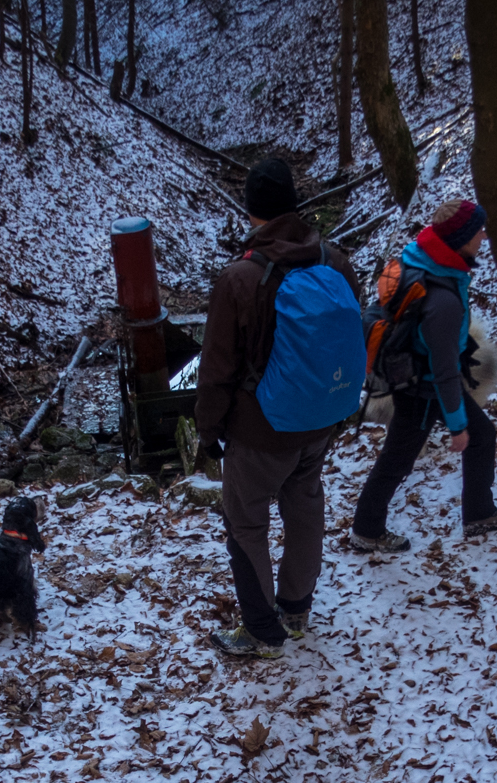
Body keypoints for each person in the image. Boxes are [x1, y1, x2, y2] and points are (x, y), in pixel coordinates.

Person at [194, 158, 364, 660]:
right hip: (322, 418)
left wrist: (209, 431)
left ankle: (262, 631)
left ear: (250, 211)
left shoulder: (240, 278)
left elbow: (217, 368)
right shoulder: (334, 260)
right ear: (295, 204)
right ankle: (296, 608)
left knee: (245, 521)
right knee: (305, 504)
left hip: (261, 430)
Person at [349, 199, 497, 552]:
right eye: (478, 232)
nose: (484, 237)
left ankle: (478, 513)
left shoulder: (420, 256)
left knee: (482, 434)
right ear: (460, 239)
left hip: (413, 373)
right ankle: (367, 530)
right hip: (423, 387)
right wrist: (456, 427)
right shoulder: (442, 300)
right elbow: (443, 372)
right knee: (398, 458)